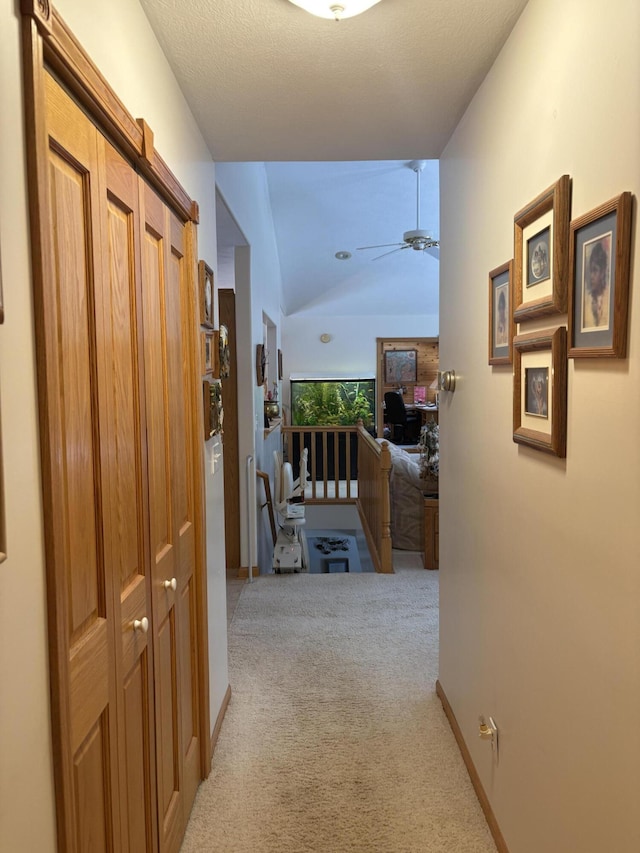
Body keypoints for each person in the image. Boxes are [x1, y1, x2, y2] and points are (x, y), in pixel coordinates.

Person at [584, 240, 609, 329]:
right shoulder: (587, 300)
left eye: (595, 270)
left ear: (602, 272)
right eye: (591, 270)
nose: (591, 276)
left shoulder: (609, 297)